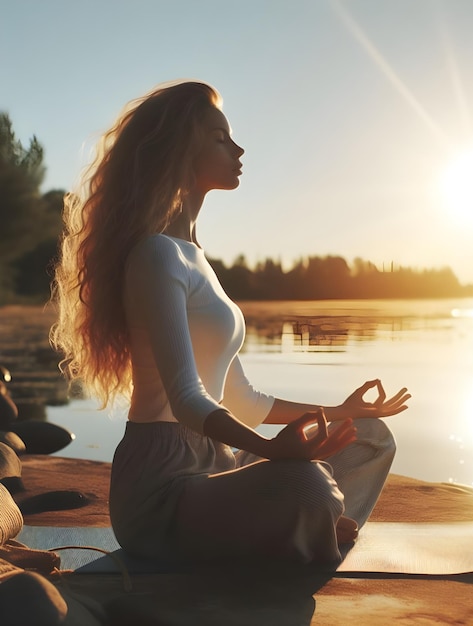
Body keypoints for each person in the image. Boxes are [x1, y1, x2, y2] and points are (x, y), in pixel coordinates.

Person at [51, 81, 410, 565]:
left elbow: (244, 400)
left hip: (217, 461)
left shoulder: (195, 257)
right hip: (164, 486)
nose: (238, 149)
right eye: (221, 138)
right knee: (304, 484)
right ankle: (311, 521)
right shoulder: (156, 254)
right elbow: (186, 399)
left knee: (369, 437)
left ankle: (308, 524)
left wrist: (344, 409)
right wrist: (273, 452)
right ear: (180, 149)